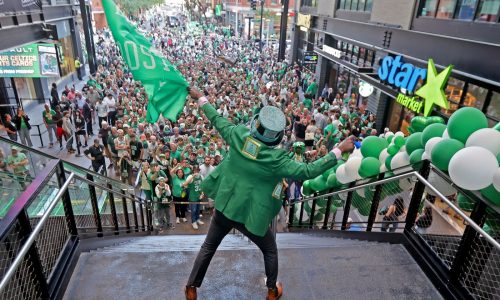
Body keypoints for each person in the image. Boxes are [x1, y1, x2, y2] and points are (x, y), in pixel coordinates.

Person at [184, 88, 354, 300]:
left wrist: (200, 97)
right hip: (250, 218)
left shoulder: (237, 135)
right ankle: (272, 291)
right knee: (270, 250)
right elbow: (308, 171)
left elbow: (216, 118)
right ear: (278, 137)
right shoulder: (277, 160)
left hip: (225, 208)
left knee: (208, 247)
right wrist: (337, 150)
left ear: (255, 125)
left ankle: (191, 288)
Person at [183, 164, 204, 230]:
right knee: (193, 210)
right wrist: (192, 177)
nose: (196, 171)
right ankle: (193, 221)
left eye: (197, 170)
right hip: (192, 196)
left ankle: (197, 219)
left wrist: (202, 193)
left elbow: (202, 186)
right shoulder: (190, 176)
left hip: (199, 195)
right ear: (193, 170)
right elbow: (185, 184)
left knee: (198, 209)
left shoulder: (201, 176)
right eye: (195, 170)